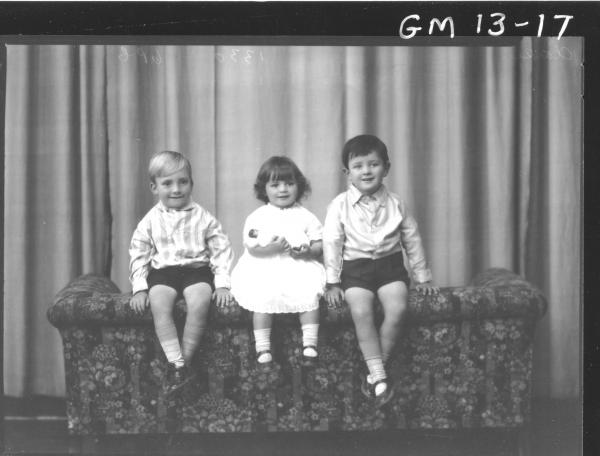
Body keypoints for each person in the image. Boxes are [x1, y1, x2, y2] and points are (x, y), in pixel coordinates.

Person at [323, 134, 438, 407]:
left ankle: (376, 372)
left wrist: (422, 277)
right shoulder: (339, 205)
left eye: (373, 164)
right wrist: (332, 282)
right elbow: (332, 243)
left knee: (397, 309)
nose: (366, 171)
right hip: (355, 270)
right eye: (359, 166)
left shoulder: (396, 203)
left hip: (390, 267)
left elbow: (412, 239)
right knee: (361, 311)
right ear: (347, 173)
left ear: (386, 168)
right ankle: (378, 374)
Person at [129, 150, 235, 393]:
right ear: (154, 187)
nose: (176, 189)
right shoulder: (150, 220)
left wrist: (222, 283)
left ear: (191, 184)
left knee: (200, 301)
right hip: (163, 272)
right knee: (158, 302)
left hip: (196, 270)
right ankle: (174, 360)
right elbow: (139, 253)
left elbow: (221, 249)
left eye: (183, 182)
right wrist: (140, 288)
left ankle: (184, 363)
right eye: (167, 183)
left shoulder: (204, 218)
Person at [231, 156, 326, 365]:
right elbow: (252, 248)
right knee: (263, 296)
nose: (283, 190)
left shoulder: (306, 216)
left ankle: (310, 344)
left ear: (298, 187)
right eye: (275, 185)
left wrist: (307, 251)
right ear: (264, 189)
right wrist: (270, 249)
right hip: (265, 266)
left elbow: (319, 245)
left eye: (289, 184)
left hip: (298, 266)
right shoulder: (258, 217)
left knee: (309, 292)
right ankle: (262, 347)